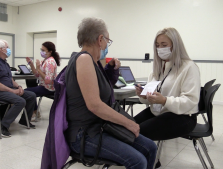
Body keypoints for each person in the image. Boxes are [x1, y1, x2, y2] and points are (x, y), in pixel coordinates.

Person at [65, 17, 157, 169]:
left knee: (150, 147)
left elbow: (103, 88)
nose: (107, 44)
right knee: (138, 161)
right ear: (100, 39)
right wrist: (128, 123)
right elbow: (95, 105)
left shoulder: (92, 62)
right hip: (85, 134)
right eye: (107, 40)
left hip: (98, 127)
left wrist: (110, 69)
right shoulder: (84, 59)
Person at [134, 27, 201, 142]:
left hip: (182, 117)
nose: (160, 49)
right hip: (158, 111)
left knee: (138, 134)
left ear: (175, 46)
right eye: (157, 45)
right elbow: (151, 99)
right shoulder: (157, 69)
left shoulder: (189, 67)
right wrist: (144, 96)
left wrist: (165, 100)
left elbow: (190, 101)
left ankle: (147, 160)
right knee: (127, 127)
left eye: (164, 45)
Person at [0, 39, 37, 138]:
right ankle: (2, 126)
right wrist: (13, 91)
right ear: (1, 49)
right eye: (7, 47)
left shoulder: (5, 63)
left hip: (7, 90)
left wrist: (19, 87)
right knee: (20, 101)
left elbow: (10, 80)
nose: (9, 49)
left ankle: (24, 121)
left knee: (31, 95)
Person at [25, 42, 60, 121]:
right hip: (43, 86)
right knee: (29, 92)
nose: (41, 52)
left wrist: (38, 69)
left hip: (49, 88)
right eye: (41, 50)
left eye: (43, 50)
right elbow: (37, 75)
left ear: (50, 51)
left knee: (27, 92)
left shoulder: (50, 62)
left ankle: (34, 112)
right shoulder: (44, 60)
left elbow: (48, 80)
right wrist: (31, 65)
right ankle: (35, 111)